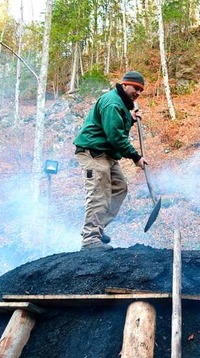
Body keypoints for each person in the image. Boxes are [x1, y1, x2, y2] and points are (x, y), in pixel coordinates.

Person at [74, 71, 149, 250]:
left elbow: (116, 126)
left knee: (119, 188)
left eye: (141, 90)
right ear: (124, 85)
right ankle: (90, 239)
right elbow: (115, 136)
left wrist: (129, 119)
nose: (138, 92)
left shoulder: (121, 105)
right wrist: (135, 157)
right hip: (93, 152)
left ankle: (97, 229)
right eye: (135, 88)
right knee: (98, 192)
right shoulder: (112, 102)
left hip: (107, 154)